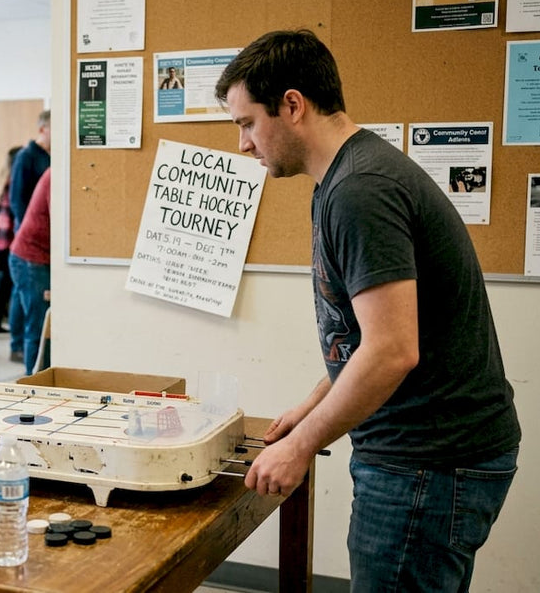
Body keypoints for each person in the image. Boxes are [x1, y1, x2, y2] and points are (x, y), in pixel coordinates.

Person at [215, 29, 520, 592]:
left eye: (247, 122)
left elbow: (392, 350)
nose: (243, 144)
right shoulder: (347, 179)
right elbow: (365, 336)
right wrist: (309, 408)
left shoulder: (360, 190)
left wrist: (303, 446)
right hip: (427, 455)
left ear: (292, 105)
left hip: (427, 463)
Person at [8, 110, 51, 363]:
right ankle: (29, 372)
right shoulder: (26, 156)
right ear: (43, 129)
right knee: (35, 321)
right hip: (28, 248)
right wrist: (24, 228)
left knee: (32, 311)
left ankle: (28, 359)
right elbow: (17, 200)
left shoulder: (49, 159)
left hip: (35, 247)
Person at [0, 146, 22, 337]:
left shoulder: (6, 179)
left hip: (3, 241)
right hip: (9, 242)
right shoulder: (13, 181)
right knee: (6, 285)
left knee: (4, 284)